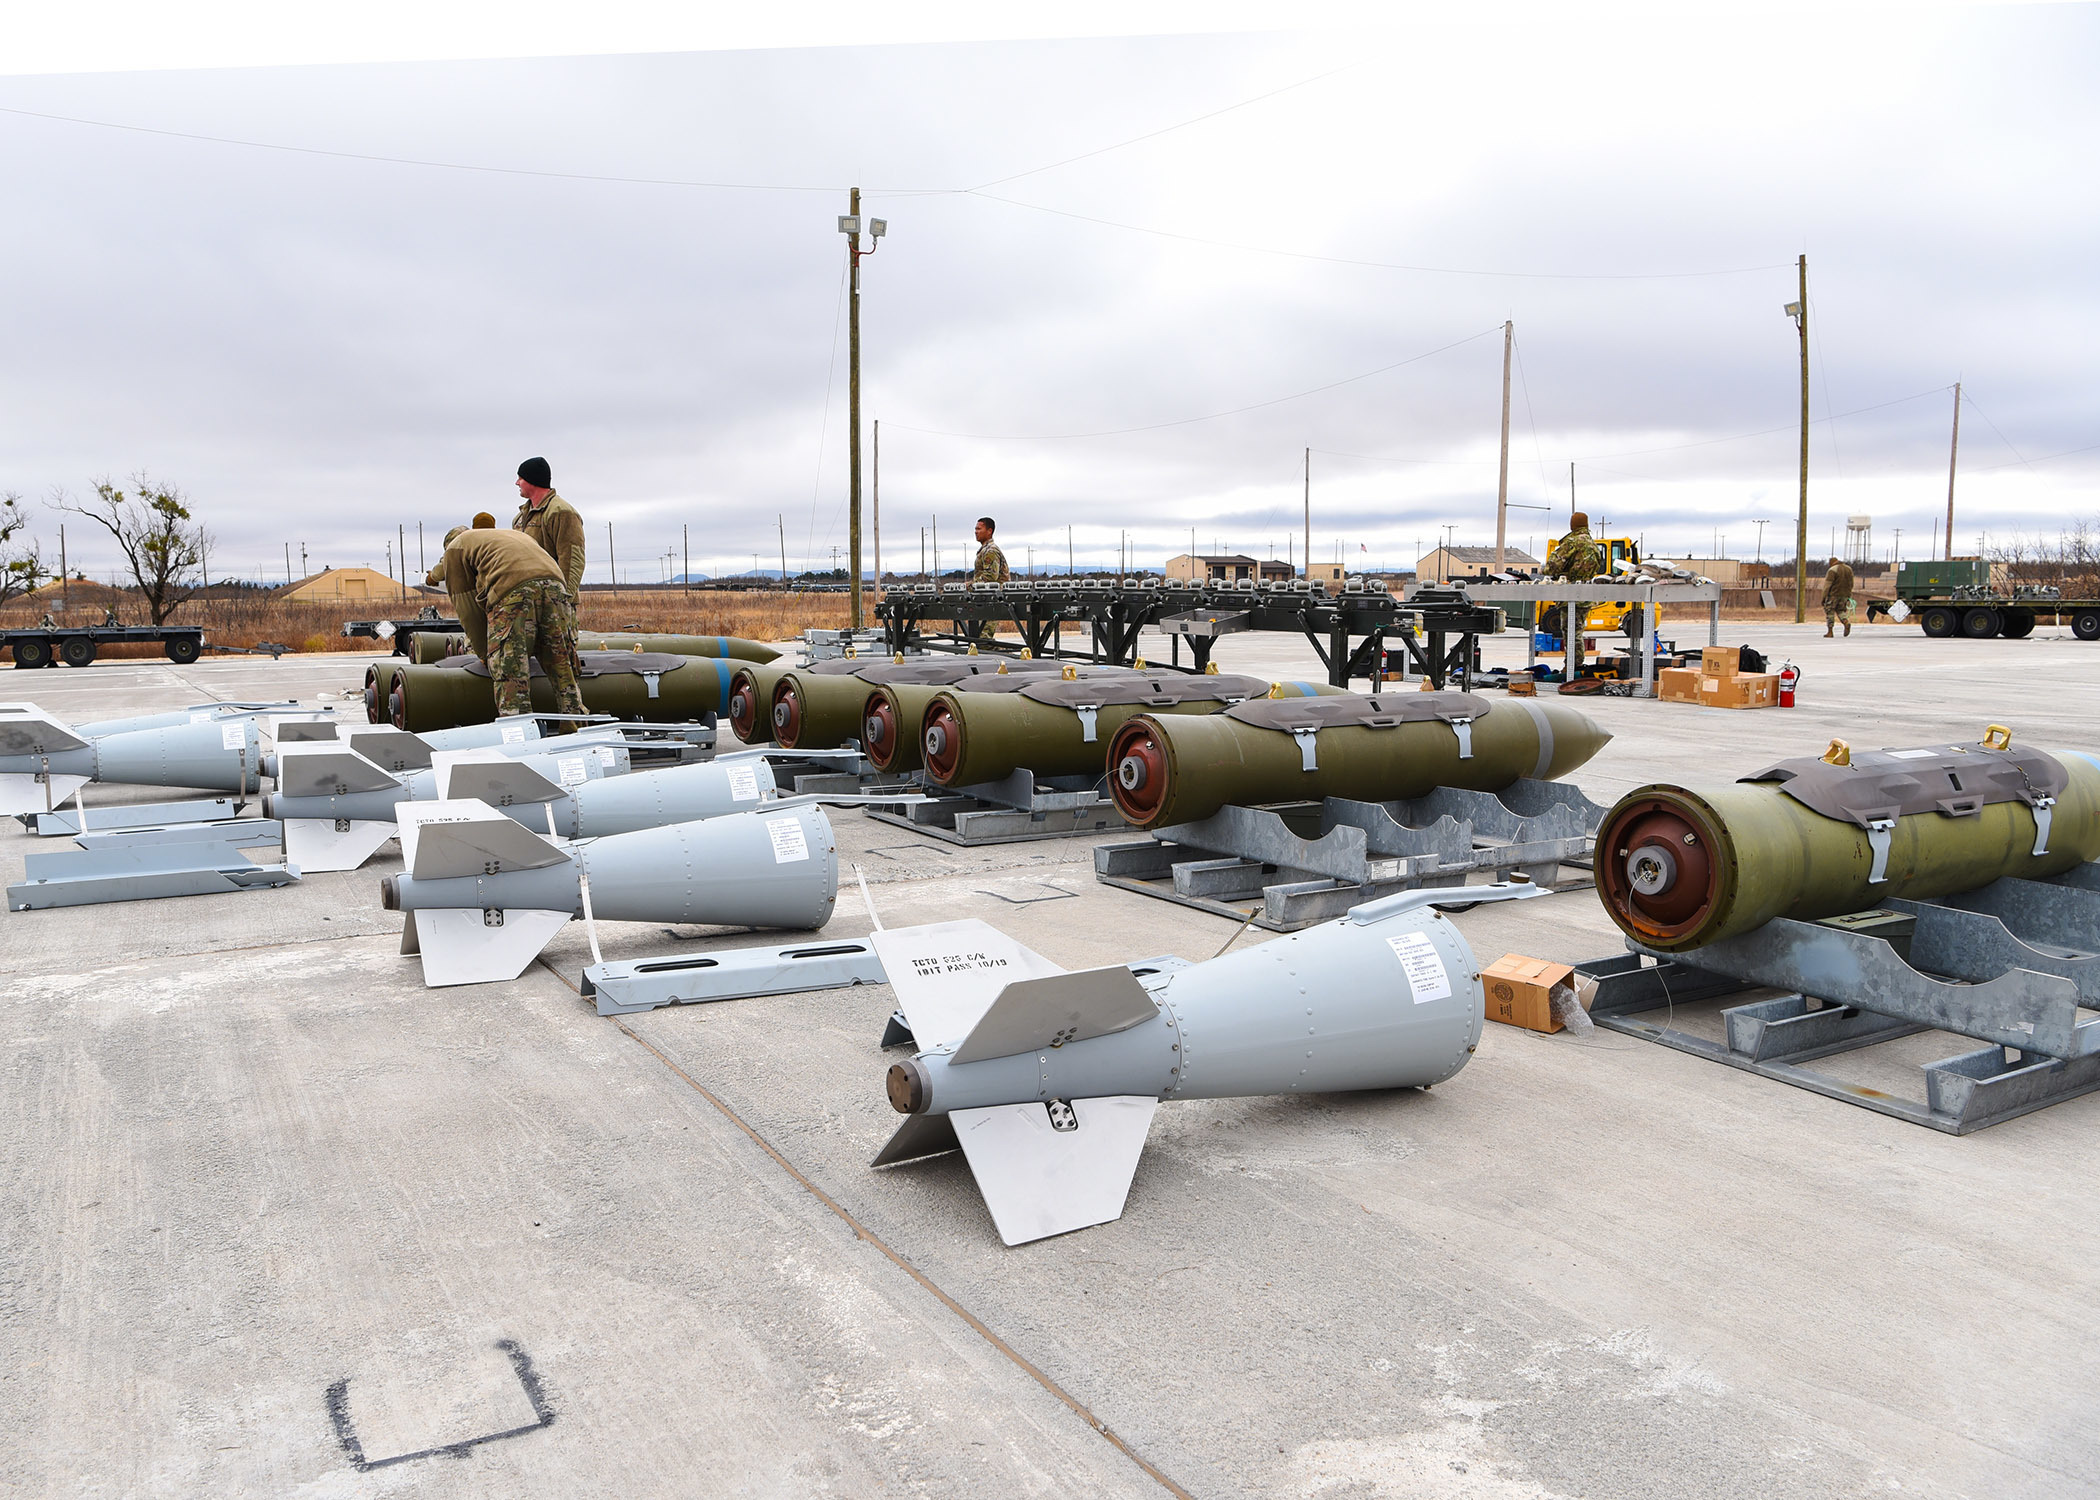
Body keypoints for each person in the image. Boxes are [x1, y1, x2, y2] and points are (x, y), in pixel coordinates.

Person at [433, 524, 587, 722]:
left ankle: (520, 730)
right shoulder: (506, 536)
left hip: (513, 591)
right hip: (556, 584)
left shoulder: (455, 549)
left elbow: (468, 610)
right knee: (560, 660)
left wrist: (485, 654)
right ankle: (575, 723)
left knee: (511, 669)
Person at [511, 458, 586, 601]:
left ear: (532, 480)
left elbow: (572, 560)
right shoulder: (519, 518)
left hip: (552, 604)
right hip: (526, 601)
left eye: (520, 478)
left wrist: (563, 600)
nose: (517, 482)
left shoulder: (561, 513)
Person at [971, 516, 1010, 642]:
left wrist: (970, 585)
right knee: (978, 638)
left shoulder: (991, 550)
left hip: (994, 599)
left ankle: (1007, 659)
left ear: (989, 531)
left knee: (983, 639)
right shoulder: (984, 550)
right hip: (987, 598)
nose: (976, 531)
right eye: (975, 529)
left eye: (979, 529)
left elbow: (990, 577)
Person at [1546, 512, 1604, 582]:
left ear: (1572, 525)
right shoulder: (1593, 543)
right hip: (1587, 584)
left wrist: (1543, 571)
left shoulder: (1572, 542)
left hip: (1569, 585)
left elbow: (1554, 566)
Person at [1824, 557, 1856, 638]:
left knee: (1830, 611)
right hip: (1845, 595)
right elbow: (1851, 583)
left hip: (1833, 595)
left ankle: (1830, 632)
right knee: (1841, 611)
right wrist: (1849, 594)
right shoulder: (1849, 569)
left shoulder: (1832, 570)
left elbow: (1827, 585)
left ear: (1831, 563)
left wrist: (1824, 597)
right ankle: (1846, 622)